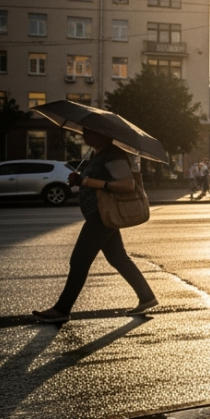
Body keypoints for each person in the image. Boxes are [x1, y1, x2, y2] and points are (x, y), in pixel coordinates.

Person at [32, 128, 159, 323]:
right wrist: (80, 180)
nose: (84, 135)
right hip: (101, 214)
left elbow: (127, 184)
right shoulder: (98, 154)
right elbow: (93, 180)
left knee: (79, 261)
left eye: (89, 132)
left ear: (102, 134)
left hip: (101, 216)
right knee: (118, 258)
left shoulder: (113, 154)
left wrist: (90, 181)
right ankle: (146, 297)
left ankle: (61, 309)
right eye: (84, 132)